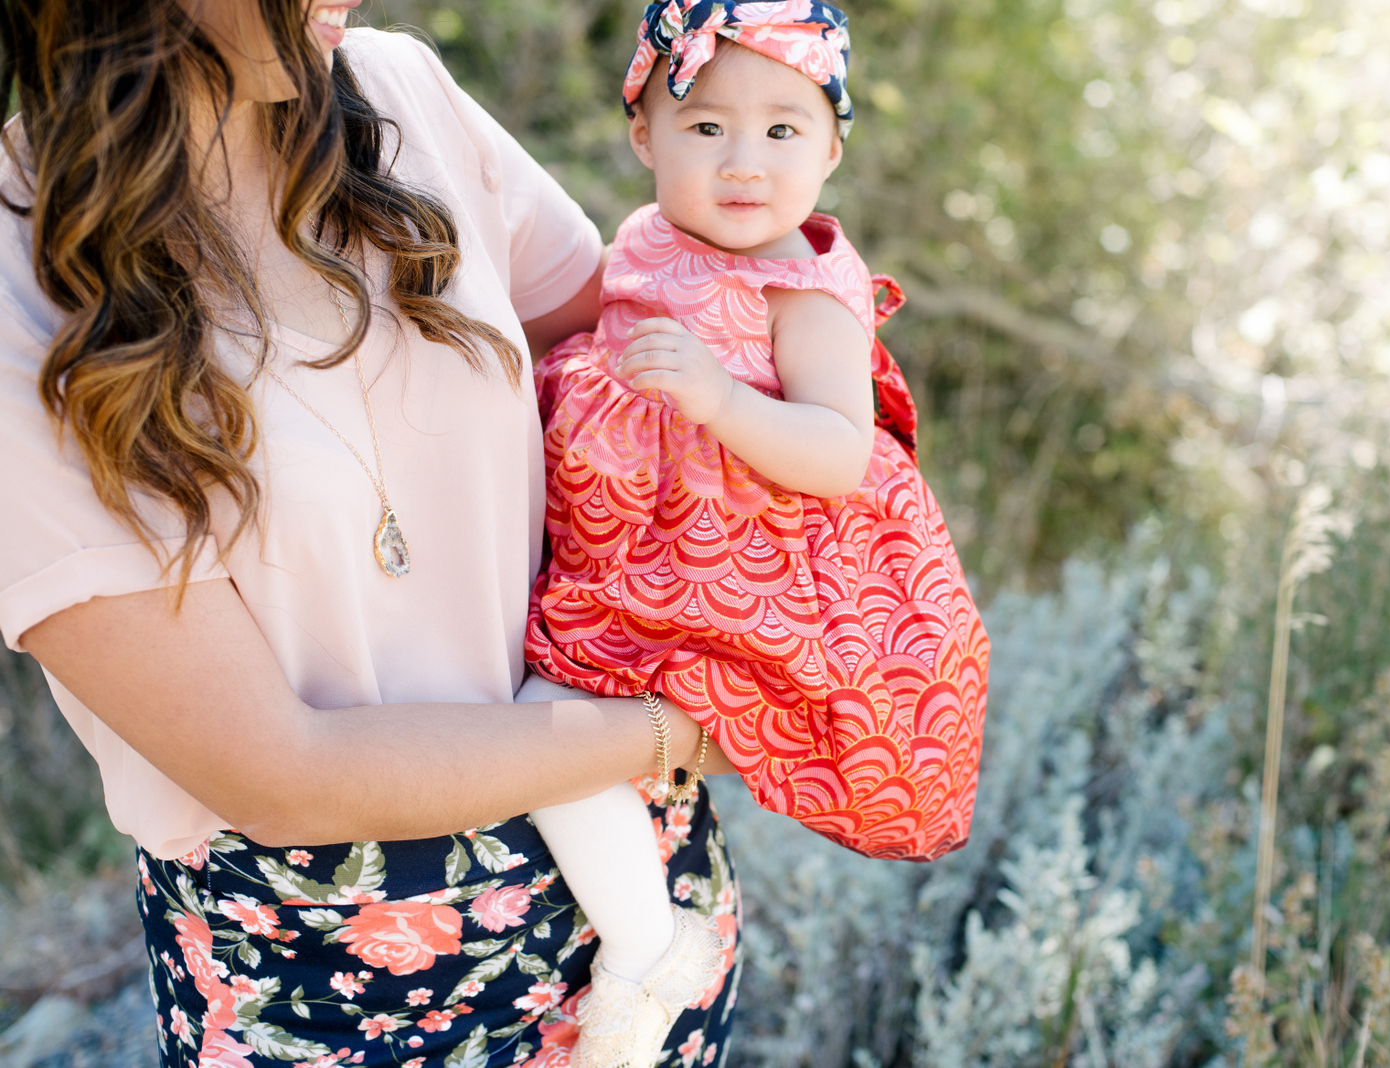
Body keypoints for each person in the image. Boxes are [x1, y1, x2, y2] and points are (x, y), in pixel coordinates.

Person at [0, 3, 739, 1067]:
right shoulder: (19, 281)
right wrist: (690, 731)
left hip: (637, 915)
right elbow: (275, 768)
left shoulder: (400, 91)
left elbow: (617, 353)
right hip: (331, 996)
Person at [522, 3, 990, 1064]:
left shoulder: (805, 290)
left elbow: (837, 452)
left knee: (542, 728)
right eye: (705, 129)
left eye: (783, 130)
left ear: (830, 147)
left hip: (745, 572)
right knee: (542, 724)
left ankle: (647, 946)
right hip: (633, 558)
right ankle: (642, 934)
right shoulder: (646, 242)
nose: (744, 162)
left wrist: (718, 402)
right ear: (642, 136)